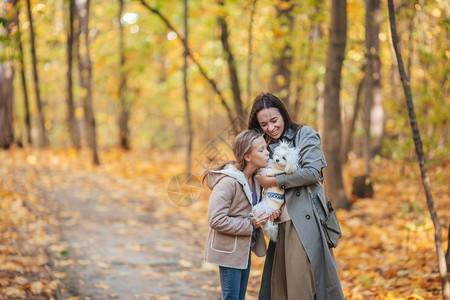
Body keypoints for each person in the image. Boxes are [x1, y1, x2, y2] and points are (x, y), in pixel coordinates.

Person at [248, 92, 345, 300]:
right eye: (263, 124)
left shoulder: (305, 134)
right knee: (281, 287)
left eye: (274, 120)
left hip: (303, 221)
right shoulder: (264, 143)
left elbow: (312, 172)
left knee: (303, 283)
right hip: (278, 224)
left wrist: (274, 181)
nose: (270, 128)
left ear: (283, 115)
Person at [203, 129, 279, 300]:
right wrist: (250, 224)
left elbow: (253, 208)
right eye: (261, 150)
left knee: (239, 297)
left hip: (244, 248)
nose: (267, 153)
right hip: (229, 250)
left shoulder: (256, 179)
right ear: (247, 156)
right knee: (231, 297)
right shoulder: (228, 182)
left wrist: (269, 212)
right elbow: (215, 220)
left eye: (266, 148)